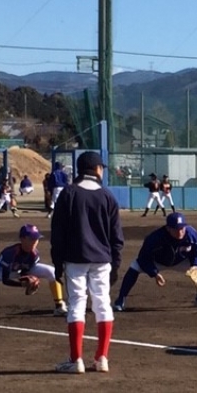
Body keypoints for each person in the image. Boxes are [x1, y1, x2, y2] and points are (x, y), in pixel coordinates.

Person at [51, 151, 124, 374]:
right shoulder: (107, 196)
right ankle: (102, 358)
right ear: (97, 169)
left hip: (75, 258)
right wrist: (116, 264)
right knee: (102, 304)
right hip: (102, 259)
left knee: (77, 304)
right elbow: (116, 237)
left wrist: (57, 262)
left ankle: (76, 360)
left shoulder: (69, 193)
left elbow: (58, 233)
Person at [0, 224, 67, 321]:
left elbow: (26, 270)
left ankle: (59, 306)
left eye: (37, 239)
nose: (35, 242)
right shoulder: (10, 253)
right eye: (31, 239)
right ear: (22, 239)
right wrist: (22, 284)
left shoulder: (34, 254)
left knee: (51, 271)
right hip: (1, 271)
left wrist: (28, 278)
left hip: (18, 269)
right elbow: (5, 280)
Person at [113, 212, 197, 312]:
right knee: (135, 266)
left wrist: (196, 266)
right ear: (168, 228)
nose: (180, 232)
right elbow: (143, 258)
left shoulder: (192, 235)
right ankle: (120, 301)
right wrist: (154, 273)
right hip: (159, 263)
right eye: (176, 229)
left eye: (182, 228)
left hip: (181, 262)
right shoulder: (155, 238)